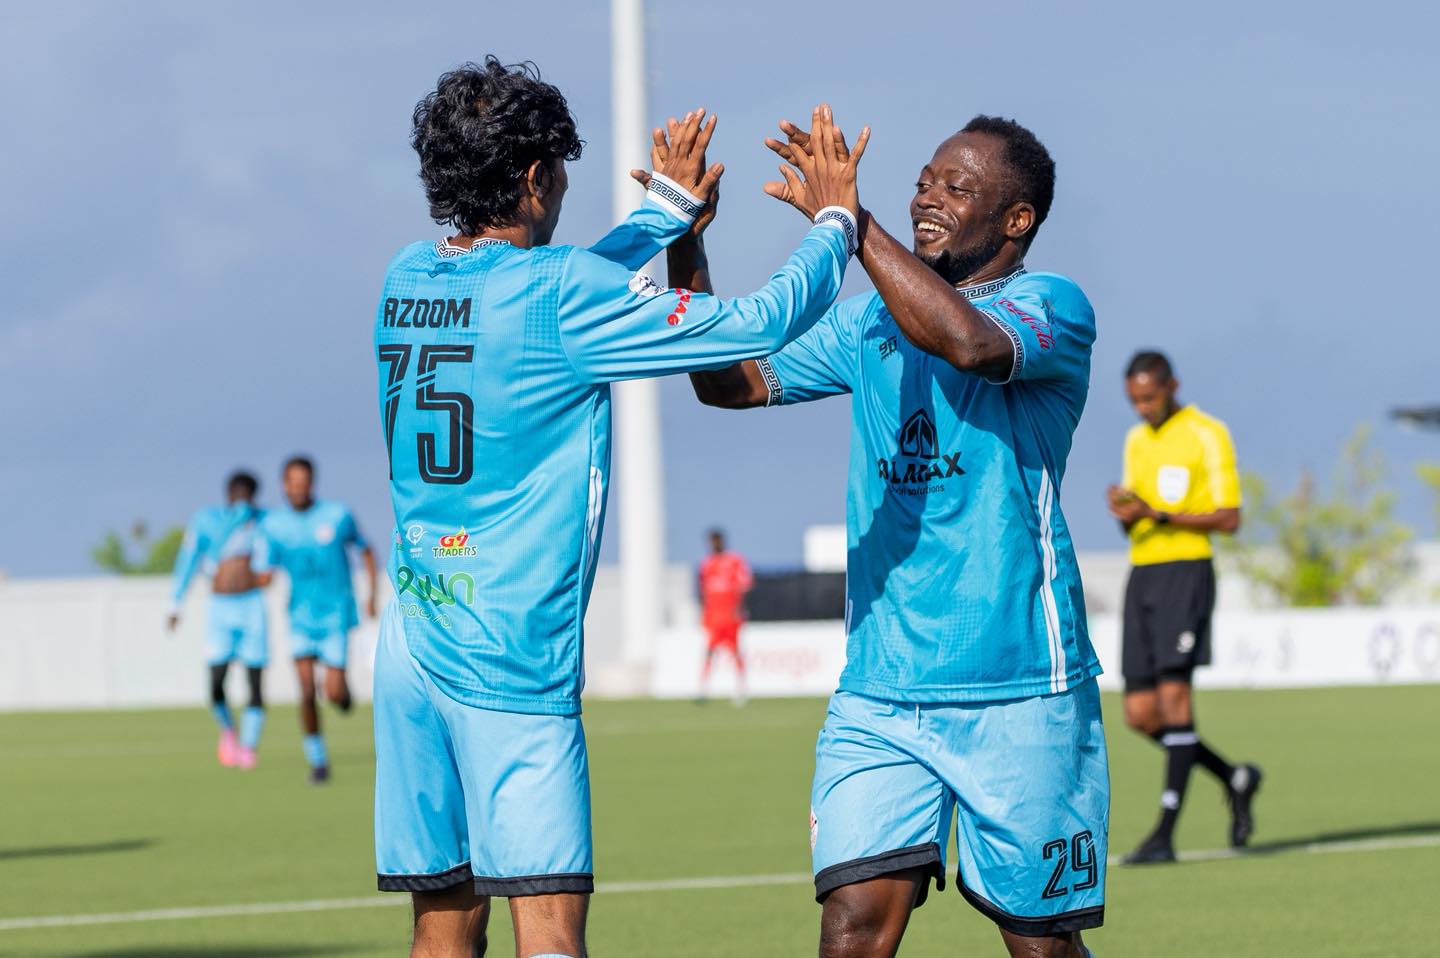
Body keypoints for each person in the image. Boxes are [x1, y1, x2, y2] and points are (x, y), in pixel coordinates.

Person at [372, 57, 867, 958]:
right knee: (549, 933)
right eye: (560, 172)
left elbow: (548, 292)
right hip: (508, 653)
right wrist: (835, 222)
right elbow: (757, 324)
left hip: (411, 645)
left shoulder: (407, 275)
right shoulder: (561, 291)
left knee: (441, 935)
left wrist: (666, 213)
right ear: (535, 178)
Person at [688, 116, 1105, 957]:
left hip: (1021, 688)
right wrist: (685, 244)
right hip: (881, 693)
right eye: (921, 181)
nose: (927, 198)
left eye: (956, 187)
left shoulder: (1051, 306)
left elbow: (968, 343)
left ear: (1017, 219)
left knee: (1042, 947)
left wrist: (852, 221)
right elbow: (726, 383)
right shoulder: (866, 322)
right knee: (851, 928)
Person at [1106, 350, 1262, 864]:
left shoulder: (1207, 433)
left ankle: (1164, 834)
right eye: (1134, 401)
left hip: (1186, 572)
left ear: (1172, 386)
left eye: (1149, 398)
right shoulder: (1136, 440)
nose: (1142, 408)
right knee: (1140, 713)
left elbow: (1229, 518)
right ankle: (1234, 777)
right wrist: (1126, 512)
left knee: (1175, 701)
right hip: (1142, 574)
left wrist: (1158, 514)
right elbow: (1135, 521)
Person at [255, 456, 377, 784]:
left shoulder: (337, 516)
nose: (297, 488)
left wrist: (371, 594)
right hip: (300, 617)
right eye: (292, 483)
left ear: (312, 483)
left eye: (303, 482)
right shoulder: (274, 525)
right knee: (307, 691)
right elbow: (264, 570)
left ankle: (343, 695)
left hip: (336, 615)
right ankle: (318, 761)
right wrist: (251, 577)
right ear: (284, 485)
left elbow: (366, 550)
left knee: (333, 693)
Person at [168, 470, 269, 770]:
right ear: (227, 495)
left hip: (251, 606)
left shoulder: (264, 521)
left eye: (246, 495)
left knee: (254, 680)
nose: (241, 502)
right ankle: (228, 730)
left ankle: (248, 746)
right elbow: (188, 561)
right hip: (220, 608)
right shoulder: (208, 521)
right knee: (216, 682)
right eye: (236, 494)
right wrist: (175, 604)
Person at [696, 528, 753, 704]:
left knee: (735, 652)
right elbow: (702, 591)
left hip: (731, 616)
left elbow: (745, 585)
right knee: (709, 652)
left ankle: (741, 689)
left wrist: (739, 608)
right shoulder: (706, 564)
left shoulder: (734, 561)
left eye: (717, 541)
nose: (714, 544)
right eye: (711, 541)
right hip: (713, 617)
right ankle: (703, 689)